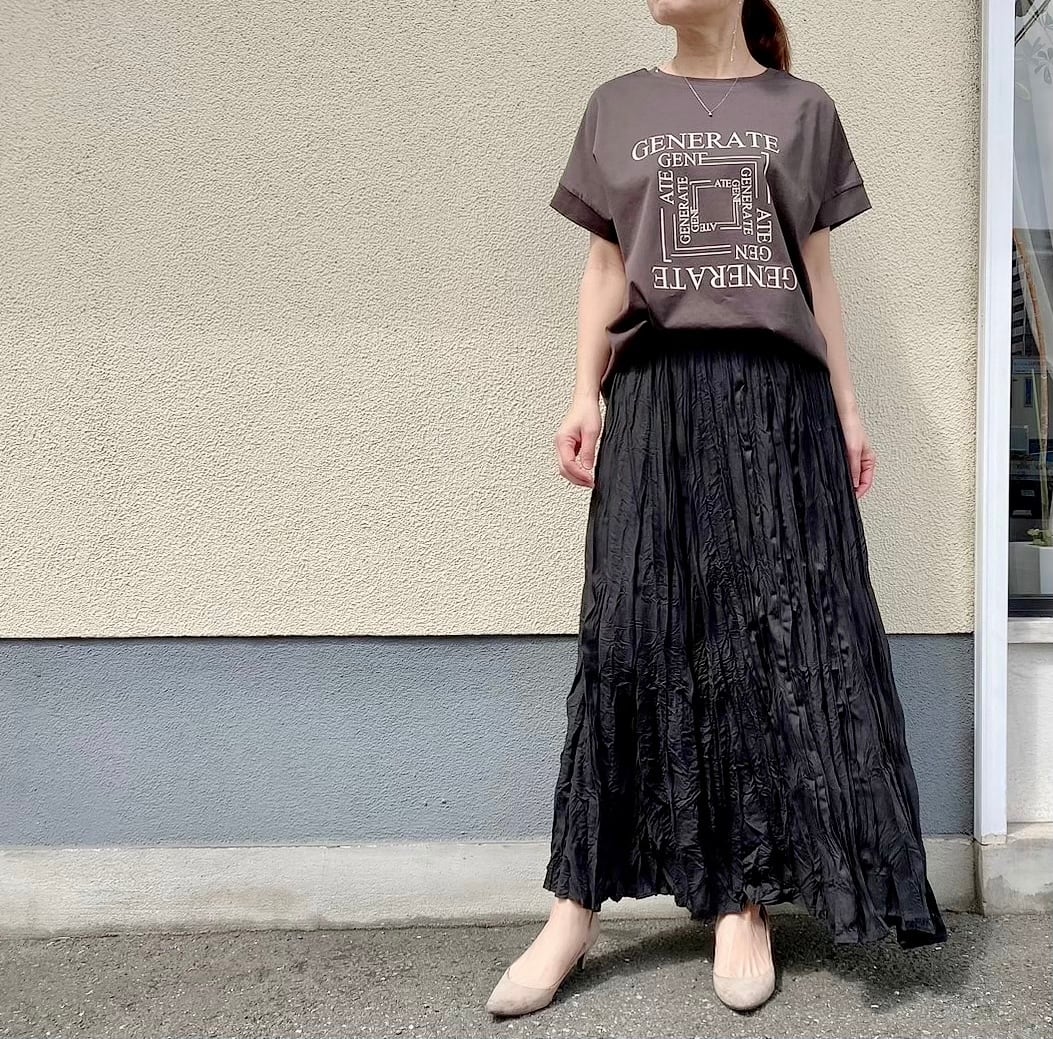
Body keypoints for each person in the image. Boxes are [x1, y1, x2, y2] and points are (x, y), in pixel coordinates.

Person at [486, 0, 948, 1018]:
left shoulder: (803, 109)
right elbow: (605, 266)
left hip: (777, 401)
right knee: (628, 634)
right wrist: (582, 393)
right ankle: (573, 906)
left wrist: (850, 410)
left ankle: (742, 899)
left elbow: (816, 272)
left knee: (760, 636)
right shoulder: (616, 106)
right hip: (657, 395)